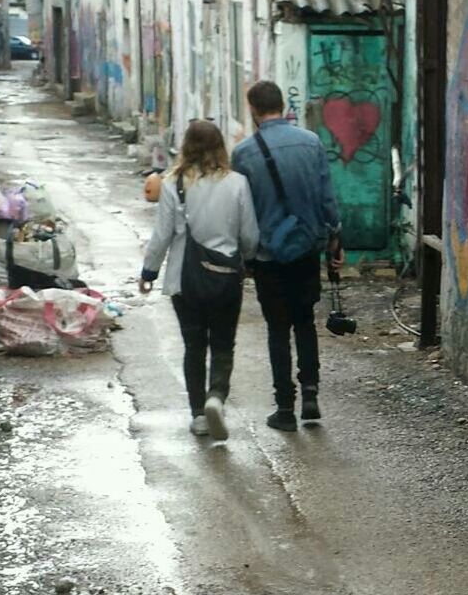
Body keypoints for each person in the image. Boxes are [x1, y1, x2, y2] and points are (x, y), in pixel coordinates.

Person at [231, 80, 344, 431]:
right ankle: (311, 394)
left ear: (253, 109)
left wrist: (244, 255)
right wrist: (335, 241)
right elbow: (327, 199)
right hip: (307, 249)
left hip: (268, 256)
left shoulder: (244, 153)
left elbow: (243, 210)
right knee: (305, 322)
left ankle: (285, 408)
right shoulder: (311, 143)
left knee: (278, 330)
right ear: (282, 105)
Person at [139, 119, 259, 441]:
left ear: (187, 146)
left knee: (194, 346)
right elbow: (249, 235)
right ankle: (216, 397)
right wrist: (247, 260)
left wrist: (149, 271)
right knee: (223, 344)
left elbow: (162, 234)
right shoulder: (237, 183)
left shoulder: (172, 183)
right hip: (225, 279)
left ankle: (198, 416)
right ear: (220, 146)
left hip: (184, 280)